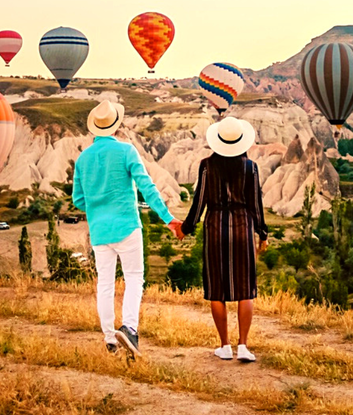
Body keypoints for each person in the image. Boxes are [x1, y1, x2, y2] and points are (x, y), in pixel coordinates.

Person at [73, 100, 183, 359]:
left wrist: (97, 202)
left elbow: (78, 200)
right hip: (127, 227)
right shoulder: (126, 151)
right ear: (116, 125)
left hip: (99, 232)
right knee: (134, 278)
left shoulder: (82, 159)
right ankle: (130, 329)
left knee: (105, 284)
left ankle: (110, 337)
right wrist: (167, 218)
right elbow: (147, 187)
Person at [180, 117, 267, 362]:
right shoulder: (250, 167)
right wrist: (263, 233)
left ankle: (224, 346)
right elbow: (256, 205)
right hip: (243, 228)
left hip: (215, 227)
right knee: (245, 289)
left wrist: (186, 228)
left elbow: (199, 202)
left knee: (217, 290)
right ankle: (244, 346)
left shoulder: (207, 165)